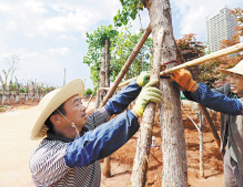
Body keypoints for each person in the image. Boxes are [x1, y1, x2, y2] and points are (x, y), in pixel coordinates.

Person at [29, 72, 162, 187]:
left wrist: (136, 85)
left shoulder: (84, 127)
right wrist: (134, 113)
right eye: (76, 104)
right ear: (57, 119)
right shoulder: (43, 157)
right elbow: (86, 147)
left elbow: (110, 107)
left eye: (81, 102)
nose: (84, 108)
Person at [170, 58, 243, 187]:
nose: (231, 80)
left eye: (237, 77)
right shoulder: (231, 89)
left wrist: (192, 85)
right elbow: (211, 96)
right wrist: (187, 89)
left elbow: (231, 105)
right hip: (231, 152)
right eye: (231, 75)